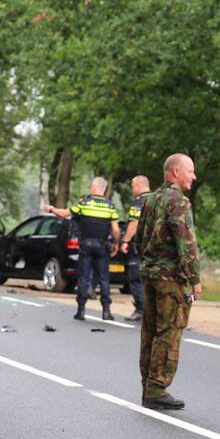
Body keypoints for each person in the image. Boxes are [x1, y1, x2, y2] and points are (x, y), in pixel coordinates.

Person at [135, 154, 200, 410]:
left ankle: (147, 384)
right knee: (169, 331)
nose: (194, 176)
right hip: (171, 279)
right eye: (190, 171)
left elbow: (139, 239)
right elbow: (187, 244)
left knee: (150, 331)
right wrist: (194, 279)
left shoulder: (150, 200)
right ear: (175, 172)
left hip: (150, 275)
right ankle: (157, 388)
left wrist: (149, 263)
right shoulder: (179, 202)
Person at [44, 177, 120, 321]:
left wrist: (51, 209)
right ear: (104, 189)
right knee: (104, 278)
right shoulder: (110, 207)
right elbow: (116, 230)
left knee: (84, 277)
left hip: (85, 244)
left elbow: (64, 213)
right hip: (101, 246)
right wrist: (116, 243)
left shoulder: (84, 203)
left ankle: (81, 310)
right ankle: (106, 311)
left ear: (94, 188)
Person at [120, 175, 153, 321]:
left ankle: (141, 309)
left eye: (133, 187)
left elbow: (134, 224)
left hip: (140, 247)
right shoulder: (159, 200)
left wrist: (125, 241)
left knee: (135, 279)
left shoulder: (139, 202)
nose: (133, 190)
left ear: (138, 186)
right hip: (156, 247)